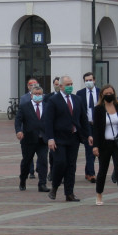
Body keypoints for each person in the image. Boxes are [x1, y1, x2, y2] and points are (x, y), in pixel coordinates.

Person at [42, 74, 87, 202]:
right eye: (67, 85)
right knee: (61, 163)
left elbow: (83, 118)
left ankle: (69, 193)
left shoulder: (77, 99)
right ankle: (55, 187)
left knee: (71, 166)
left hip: (74, 138)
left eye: (71, 84)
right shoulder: (53, 100)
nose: (70, 87)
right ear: (61, 86)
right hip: (58, 138)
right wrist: (50, 138)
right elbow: (48, 121)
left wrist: (88, 135)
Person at [92, 85, 118, 208]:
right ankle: (99, 194)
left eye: (111, 93)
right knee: (102, 171)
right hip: (104, 144)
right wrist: (95, 146)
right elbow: (96, 129)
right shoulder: (99, 109)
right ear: (102, 95)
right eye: (107, 93)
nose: (109, 95)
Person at [15, 85, 50, 192]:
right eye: (36, 94)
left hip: (43, 139)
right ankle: (23, 180)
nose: (38, 96)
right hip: (28, 139)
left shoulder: (47, 106)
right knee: (26, 161)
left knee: (43, 160)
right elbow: (18, 120)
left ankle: (42, 183)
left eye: (40, 94)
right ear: (31, 95)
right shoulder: (25, 106)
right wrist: (19, 131)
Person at [76, 72, 99, 183]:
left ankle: (87, 171)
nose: (88, 82)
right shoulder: (80, 94)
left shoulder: (100, 92)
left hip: (98, 125)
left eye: (90, 80)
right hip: (86, 125)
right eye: (86, 80)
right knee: (89, 149)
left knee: (96, 149)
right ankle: (91, 173)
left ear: (94, 80)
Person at [19, 78, 39, 179]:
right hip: (27, 130)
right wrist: (21, 130)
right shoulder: (24, 98)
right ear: (28, 86)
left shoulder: (42, 96)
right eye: (31, 85)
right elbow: (20, 116)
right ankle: (30, 171)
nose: (33, 86)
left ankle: (39, 169)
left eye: (35, 84)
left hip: (40, 132)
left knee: (42, 154)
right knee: (28, 154)